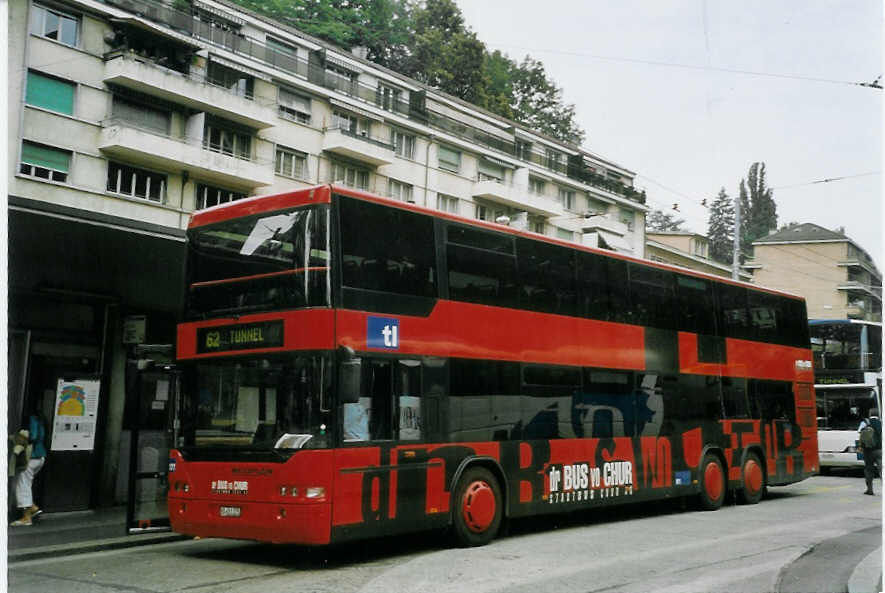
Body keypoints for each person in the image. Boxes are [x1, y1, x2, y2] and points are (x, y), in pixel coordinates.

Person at [10, 407, 47, 526]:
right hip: (40, 457)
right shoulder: (42, 419)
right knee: (18, 484)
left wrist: (19, 437)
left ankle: (27, 518)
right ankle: (33, 508)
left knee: (22, 485)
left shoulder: (32, 419)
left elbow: (33, 436)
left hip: (31, 457)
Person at [858, 408, 882, 496]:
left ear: (870, 414)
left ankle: (870, 490)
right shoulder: (881, 422)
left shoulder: (864, 422)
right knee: (881, 470)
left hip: (868, 451)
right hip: (880, 450)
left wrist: (860, 447)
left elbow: (860, 433)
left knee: (868, 470)